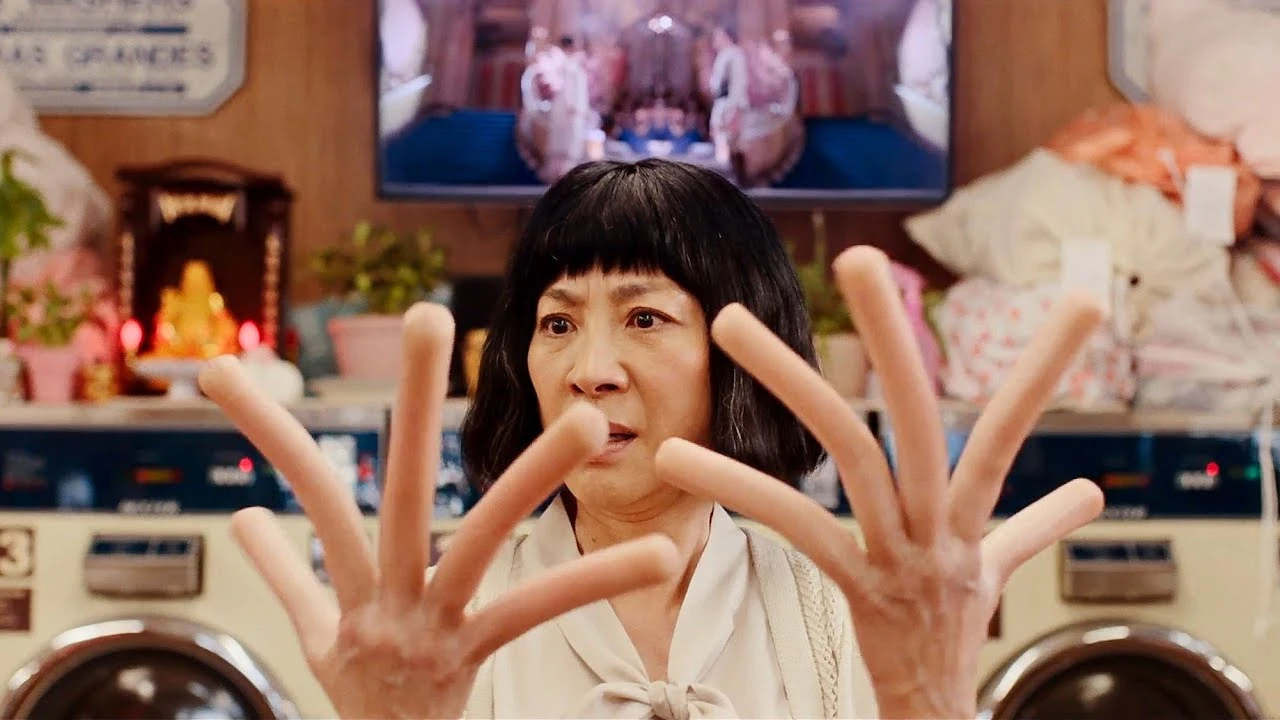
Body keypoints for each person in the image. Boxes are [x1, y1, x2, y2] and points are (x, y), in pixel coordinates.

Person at [200, 158, 1105, 719]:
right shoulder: (429, 634)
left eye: (644, 318)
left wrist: (928, 699)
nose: (590, 369)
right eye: (558, 324)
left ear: (739, 355)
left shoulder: (852, 613)